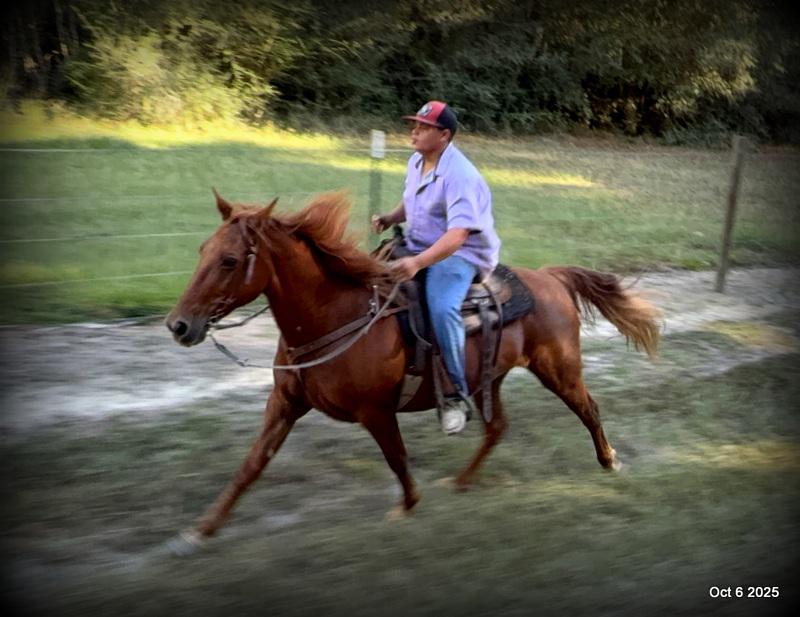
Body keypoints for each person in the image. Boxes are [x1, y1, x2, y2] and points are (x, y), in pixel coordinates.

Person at [372, 100, 501, 435]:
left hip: (461, 253)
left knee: (442, 308)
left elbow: (458, 235)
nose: (414, 131)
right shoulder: (417, 160)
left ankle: (456, 395)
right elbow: (413, 200)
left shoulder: (461, 175)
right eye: (414, 125)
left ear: (444, 135)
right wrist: (390, 217)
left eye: (424, 127)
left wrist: (416, 263)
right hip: (420, 243)